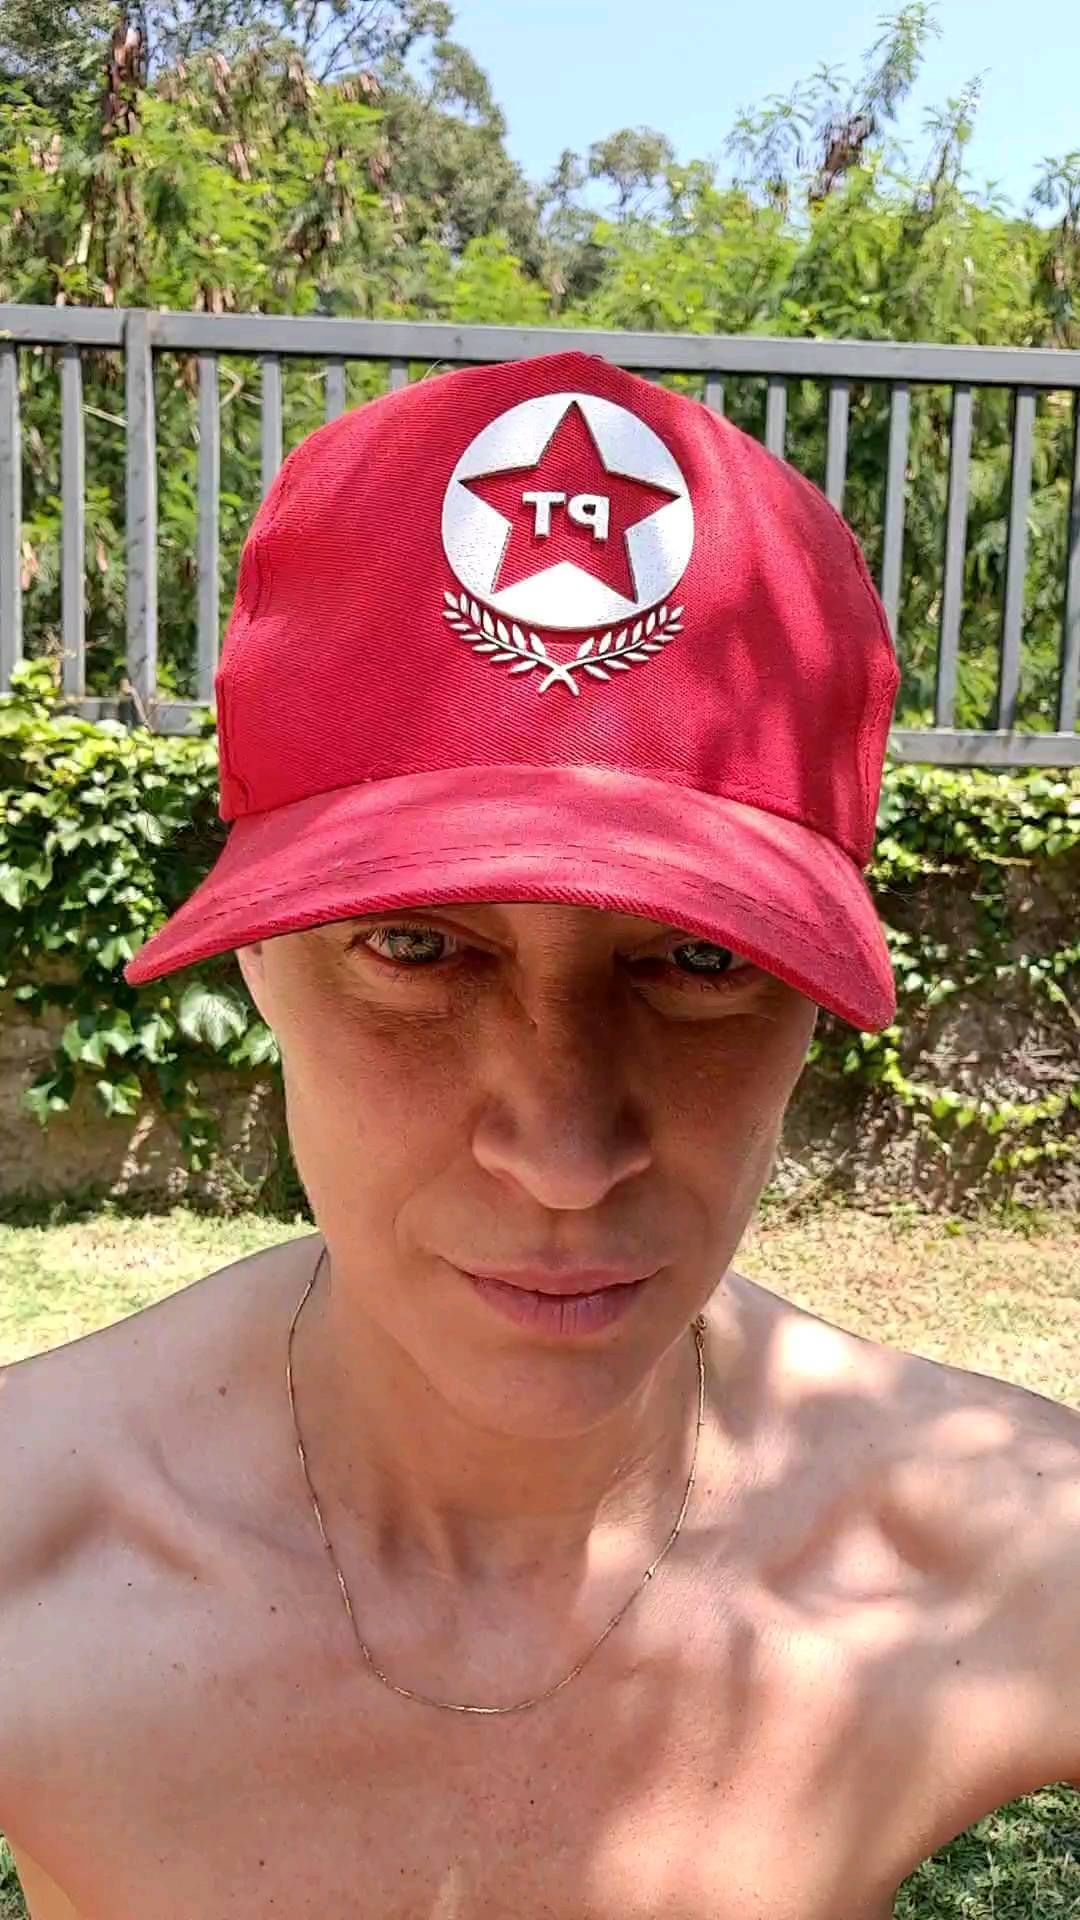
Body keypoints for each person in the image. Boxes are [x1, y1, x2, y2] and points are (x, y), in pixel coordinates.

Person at [0, 350, 1076, 1920]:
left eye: (698, 959)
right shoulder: (34, 1554)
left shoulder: (997, 1555)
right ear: (258, 962)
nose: (566, 1155)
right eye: (415, 949)